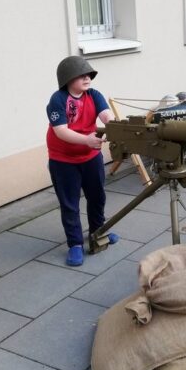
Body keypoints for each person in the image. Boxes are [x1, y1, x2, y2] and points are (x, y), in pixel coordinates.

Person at [46, 55, 119, 266]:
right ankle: (75, 244)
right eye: (81, 75)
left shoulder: (94, 95)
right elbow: (60, 131)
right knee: (69, 203)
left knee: (97, 196)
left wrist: (115, 127)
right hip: (63, 160)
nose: (87, 78)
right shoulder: (58, 100)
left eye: (89, 74)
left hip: (90, 157)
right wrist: (86, 140)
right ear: (68, 79)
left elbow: (106, 116)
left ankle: (99, 231)